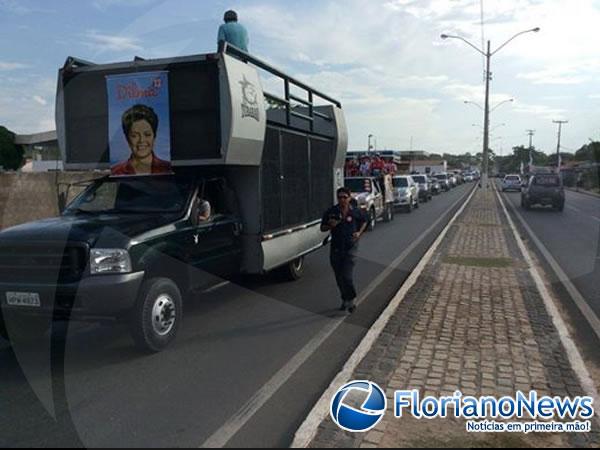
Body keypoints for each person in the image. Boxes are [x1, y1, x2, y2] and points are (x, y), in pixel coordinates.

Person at [321, 187, 368, 314]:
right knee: (339, 277)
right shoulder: (332, 212)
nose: (342, 199)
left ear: (349, 198)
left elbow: (365, 220)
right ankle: (344, 298)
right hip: (336, 248)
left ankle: (351, 300)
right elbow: (322, 228)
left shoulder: (355, 211)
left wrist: (359, 233)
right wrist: (330, 225)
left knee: (347, 276)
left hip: (350, 247)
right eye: (340, 197)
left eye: (344, 197)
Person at [111, 104, 172, 176]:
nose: (141, 140)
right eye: (134, 135)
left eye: (147, 134)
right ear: (127, 138)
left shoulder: (167, 168)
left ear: (154, 136)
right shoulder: (115, 172)